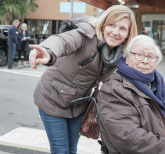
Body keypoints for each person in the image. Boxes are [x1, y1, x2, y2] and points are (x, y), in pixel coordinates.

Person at [29, 5, 138, 154]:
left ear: (128, 34)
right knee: (60, 151)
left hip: (79, 104)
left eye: (122, 29)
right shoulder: (87, 35)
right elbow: (63, 41)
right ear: (104, 24)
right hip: (52, 99)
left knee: (72, 149)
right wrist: (47, 51)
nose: (115, 32)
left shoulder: (120, 55)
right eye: (111, 25)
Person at [97, 35, 165, 154]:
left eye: (151, 57)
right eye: (139, 54)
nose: (145, 61)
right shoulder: (114, 89)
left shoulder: (162, 85)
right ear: (127, 57)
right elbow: (129, 138)